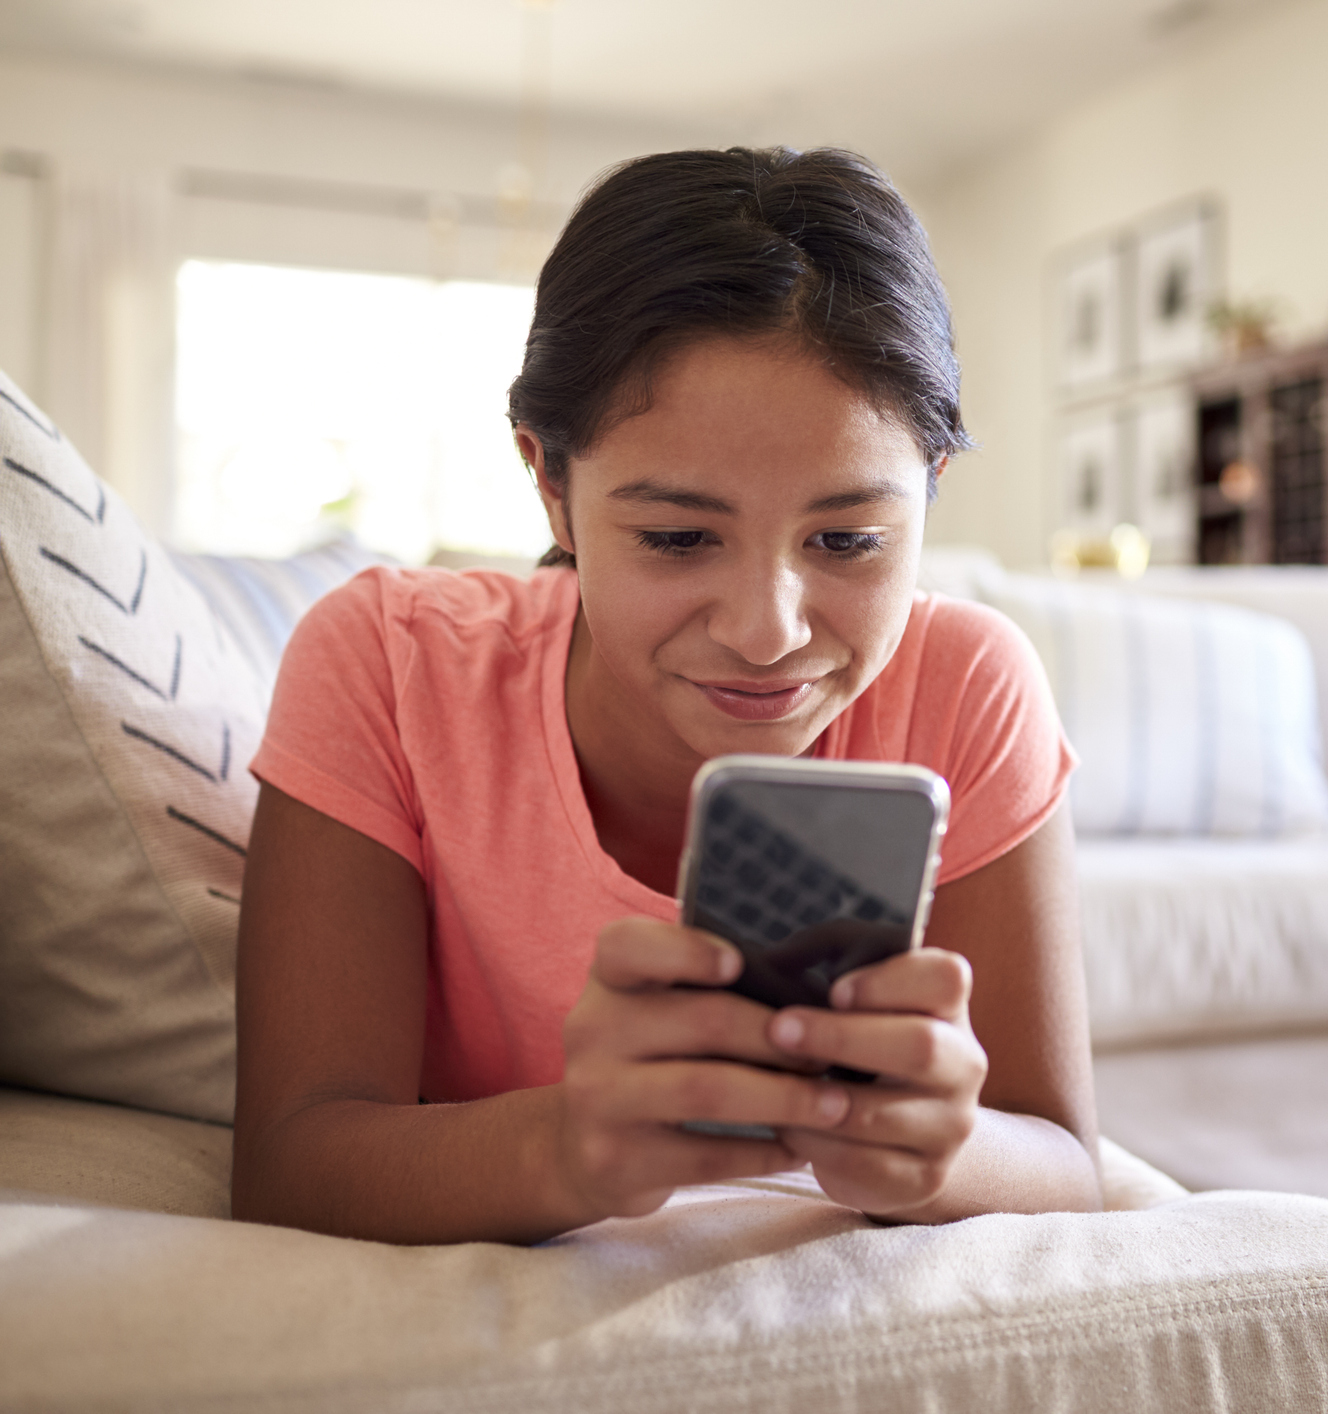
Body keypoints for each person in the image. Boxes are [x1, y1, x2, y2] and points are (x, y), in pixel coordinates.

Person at [230, 148, 1102, 1244]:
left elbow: (1067, 1161)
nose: (767, 630)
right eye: (679, 537)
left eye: (848, 539)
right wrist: (567, 1147)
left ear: (929, 489)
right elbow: (289, 1164)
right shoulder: (388, 666)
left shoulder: (970, 681)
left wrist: (939, 1149)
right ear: (550, 481)